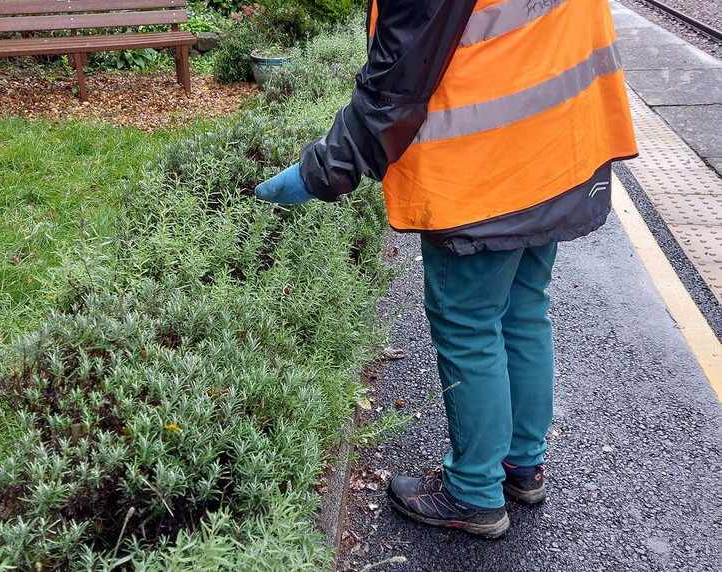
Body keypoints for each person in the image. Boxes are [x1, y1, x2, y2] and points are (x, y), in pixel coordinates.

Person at [255, 0, 638, 539]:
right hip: (558, 143)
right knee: (525, 307)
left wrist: (323, 170)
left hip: (486, 166)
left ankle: (474, 493)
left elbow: (399, 76)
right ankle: (520, 465)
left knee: (469, 321)